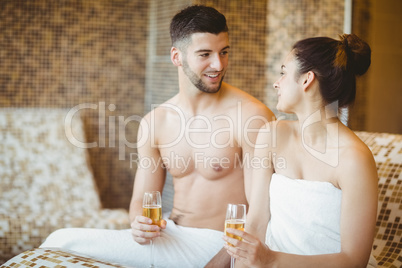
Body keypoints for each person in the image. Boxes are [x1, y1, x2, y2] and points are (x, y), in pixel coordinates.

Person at [40, 5, 275, 268]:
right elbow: (142, 199)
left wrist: (222, 261)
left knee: (61, 241)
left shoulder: (251, 116)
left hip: (220, 243)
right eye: (205, 54)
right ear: (177, 56)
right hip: (170, 237)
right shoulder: (156, 122)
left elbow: (261, 210)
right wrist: (139, 224)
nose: (218, 64)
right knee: (58, 240)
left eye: (224, 52)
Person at [223, 33, 378, 268]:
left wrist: (270, 260)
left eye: (284, 72)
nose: (277, 82)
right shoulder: (271, 135)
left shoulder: (354, 159)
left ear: (307, 80)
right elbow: (256, 222)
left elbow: (353, 260)